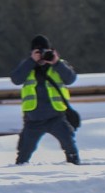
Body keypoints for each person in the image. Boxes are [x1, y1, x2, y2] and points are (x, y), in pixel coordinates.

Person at [10, 34, 80, 165]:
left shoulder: (58, 65)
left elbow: (70, 79)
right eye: (38, 51)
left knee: (70, 147)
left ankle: (76, 171)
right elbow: (16, 79)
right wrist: (31, 61)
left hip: (57, 117)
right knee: (24, 154)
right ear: (32, 52)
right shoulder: (27, 66)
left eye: (44, 51)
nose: (42, 55)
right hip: (33, 119)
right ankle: (18, 176)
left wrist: (56, 62)